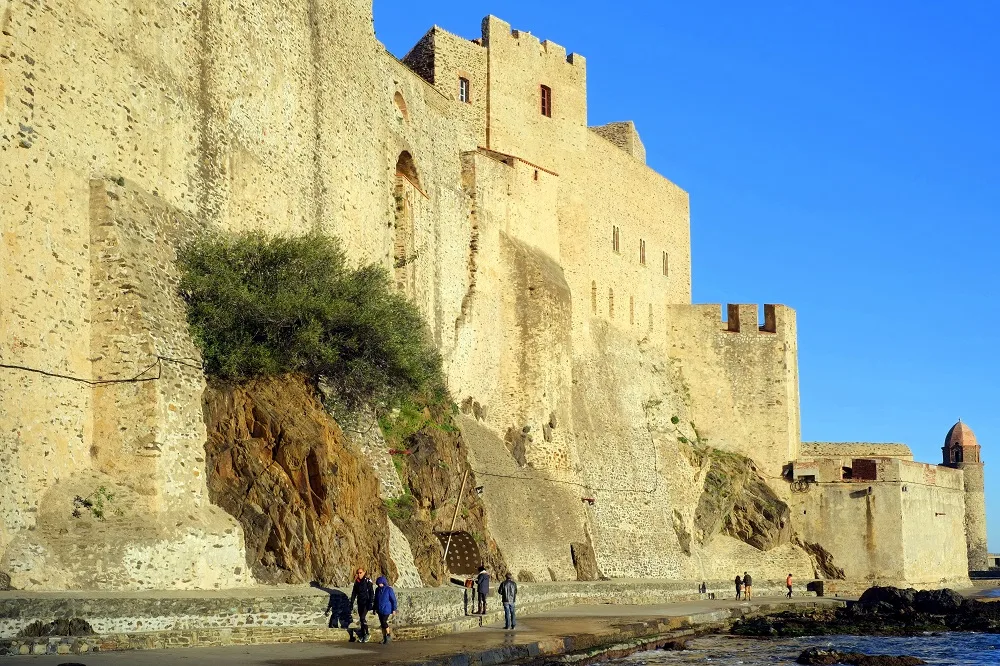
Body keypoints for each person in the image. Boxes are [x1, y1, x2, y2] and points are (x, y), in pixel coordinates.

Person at [348, 567, 375, 642]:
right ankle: (363, 634)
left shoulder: (368, 581)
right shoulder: (357, 581)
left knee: (363, 617)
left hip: (366, 602)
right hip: (360, 602)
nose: (359, 574)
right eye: (358, 573)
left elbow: (371, 592)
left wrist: (370, 602)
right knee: (361, 618)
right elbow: (354, 593)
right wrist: (351, 603)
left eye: (360, 573)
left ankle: (367, 633)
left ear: (364, 572)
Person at [374, 576, 398, 644]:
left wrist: (394, 609)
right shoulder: (377, 590)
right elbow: (376, 600)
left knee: (384, 622)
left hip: (387, 609)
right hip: (379, 609)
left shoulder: (389, 589)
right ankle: (384, 637)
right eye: (378, 584)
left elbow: (393, 600)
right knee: (382, 624)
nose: (379, 585)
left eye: (381, 583)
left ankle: (388, 634)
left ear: (384, 583)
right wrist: (375, 608)